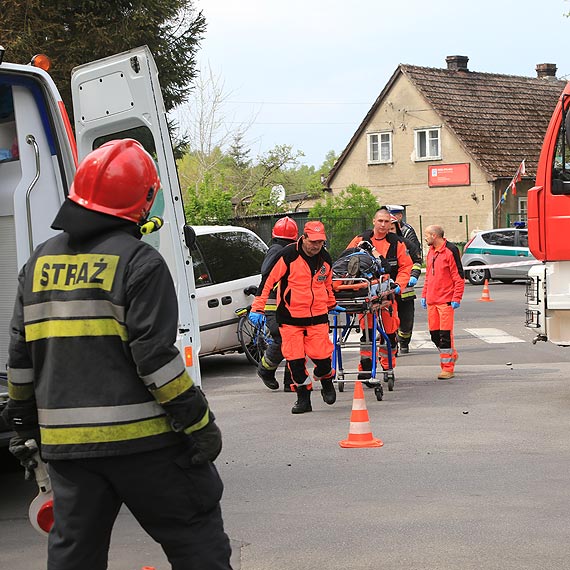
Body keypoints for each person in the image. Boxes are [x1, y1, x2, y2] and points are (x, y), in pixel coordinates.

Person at [2, 139, 232, 570]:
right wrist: (200, 424)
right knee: (196, 540)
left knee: (75, 556)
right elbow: (156, 362)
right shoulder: (139, 262)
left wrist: (21, 421)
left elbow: (20, 355)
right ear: (142, 201)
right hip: (147, 447)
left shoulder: (38, 263)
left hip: (68, 452)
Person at [249, 221, 339, 414]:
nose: (316, 246)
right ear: (304, 238)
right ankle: (303, 398)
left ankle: (326, 380)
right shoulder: (288, 256)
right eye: (313, 241)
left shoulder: (325, 258)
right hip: (291, 319)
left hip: (317, 317)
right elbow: (267, 281)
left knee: (323, 359)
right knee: (296, 363)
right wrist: (257, 308)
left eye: (320, 242)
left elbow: (327, 284)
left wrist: (331, 303)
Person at [347, 207, 413, 377]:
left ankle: (387, 365)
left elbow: (406, 266)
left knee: (389, 334)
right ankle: (366, 368)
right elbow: (347, 259)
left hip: (387, 295)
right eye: (380, 221)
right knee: (367, 334)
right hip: (365, 294)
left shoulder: (397, 242)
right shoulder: (361, 239)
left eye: (387, 222)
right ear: (374, 221)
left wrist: (399, 284)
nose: (383, 225)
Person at [253, 216, 299, 392]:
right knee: (283, 339)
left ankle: (291, 381)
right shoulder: (278, 251)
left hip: (288, 305)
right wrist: (258, 305)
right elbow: (266, 277)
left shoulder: (281, 249)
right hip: (274, 305)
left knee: (295, 339)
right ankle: (265, 370)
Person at [421, 224, 465, 379]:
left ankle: (447, 368)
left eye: (426, 234)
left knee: (445, 335)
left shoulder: (450, 251)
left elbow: (458, 277)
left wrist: (456, 297)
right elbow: (428, 277)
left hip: (446, 301)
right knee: (434, 335)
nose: (425, 237)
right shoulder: (431, 252)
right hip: (432, 301)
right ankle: (451, 355)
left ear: (434, 236)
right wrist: (425, 295)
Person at [389, 214, 422, 354]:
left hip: (406, 289)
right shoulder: (377, 247)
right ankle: (392, 343)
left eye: (392, 228)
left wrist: (413, 276)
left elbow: (417, 262)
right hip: (386, 291)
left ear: (397, 228)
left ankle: (404, 342)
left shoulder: (406, 244)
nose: (389, 231)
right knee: (389, 320)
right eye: (388, 228)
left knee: (406, 320)